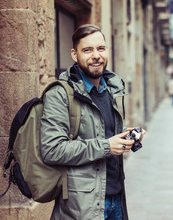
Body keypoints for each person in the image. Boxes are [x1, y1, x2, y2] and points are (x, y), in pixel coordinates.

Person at [40, 24, 146, 220]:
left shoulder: (109, 90)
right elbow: (51, 150)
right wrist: (107, 146)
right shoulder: (60, 94)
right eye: (87, 50)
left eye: (101, 48)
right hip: (83, 206)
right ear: (74, 54)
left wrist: (125, 136)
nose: (96, 55)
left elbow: (98, 133)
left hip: (116, 199)